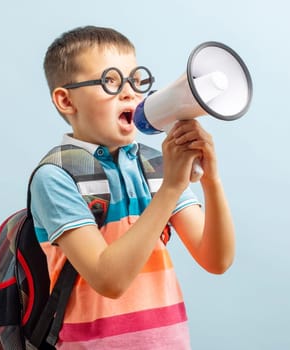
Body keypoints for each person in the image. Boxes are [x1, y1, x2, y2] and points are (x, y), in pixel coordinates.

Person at [31, 25, 235, 349]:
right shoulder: (56, 177)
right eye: (110, 81)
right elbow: (109, 280)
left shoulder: (157, 166)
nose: (130, 93)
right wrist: (169, 189)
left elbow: (217, 259)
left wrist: (212, 181)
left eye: (136, 81)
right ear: (66, 100)